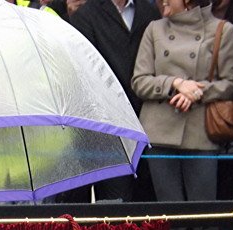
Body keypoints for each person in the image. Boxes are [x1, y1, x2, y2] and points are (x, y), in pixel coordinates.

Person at [131, 0, 233, 230]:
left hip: (200, 136)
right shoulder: (154, 30)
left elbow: (231, 82)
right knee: (173, 218)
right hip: (160, 133)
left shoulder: (223, 31)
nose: (162, 2)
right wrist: (175, 83)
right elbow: (139, 80)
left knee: (204, 217)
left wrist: (197, 91)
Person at [62, 0, 160, 203]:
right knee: (116, 201)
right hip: (107, 127)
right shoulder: (87, 14)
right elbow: (82, 71)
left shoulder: (149, 10)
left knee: (147, 200)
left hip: (149, 120)